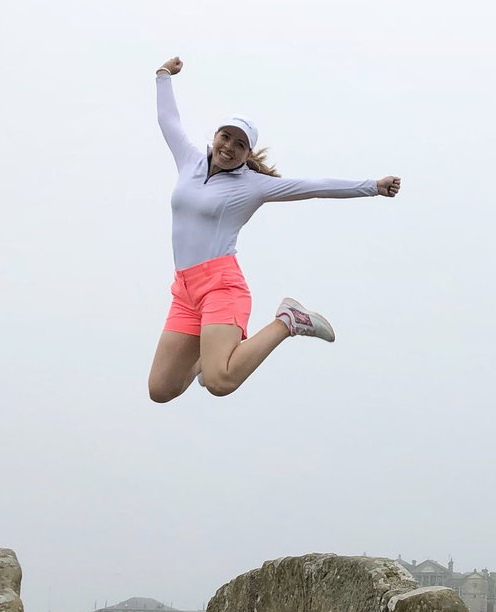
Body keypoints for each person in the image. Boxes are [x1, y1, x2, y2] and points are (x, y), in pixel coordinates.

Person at [148, 56, 401, 403]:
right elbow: (169, 121)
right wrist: (163, 76)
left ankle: (288, 320)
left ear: (248, 152)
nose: (230, 147)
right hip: (185, 290)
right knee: (161, 390)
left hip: (221, 286)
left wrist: (372, 185)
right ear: (216, 136)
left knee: (221, 382)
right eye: (226, 137)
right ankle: (212, 356)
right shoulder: (190, 160)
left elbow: (315, 186)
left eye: (240, 144)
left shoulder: (253, 185)